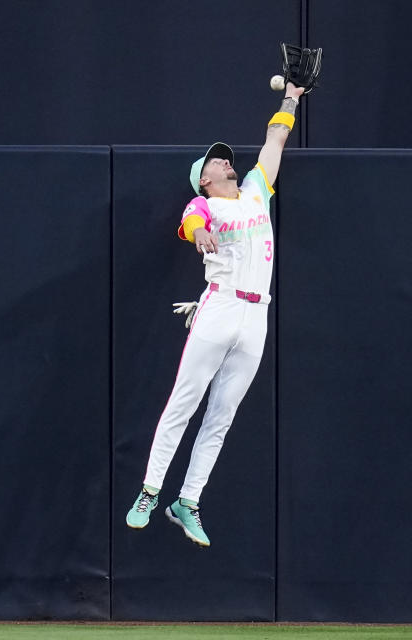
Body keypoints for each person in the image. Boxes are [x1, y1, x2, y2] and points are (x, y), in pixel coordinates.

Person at [125, 82, 305, 547]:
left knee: (221, 415)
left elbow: (275, 141)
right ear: (203, 177)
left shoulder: (255, 190)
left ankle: (187, 501)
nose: (225, 160)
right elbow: (190, 223)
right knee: (184, 403)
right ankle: (149, 491)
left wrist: (290, 100)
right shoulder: (204, 202)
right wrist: (200, 232)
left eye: (225, 157)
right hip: (220, 304)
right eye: (215, 160)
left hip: (256, 315)